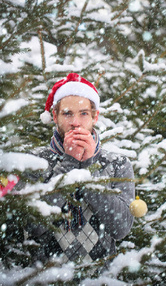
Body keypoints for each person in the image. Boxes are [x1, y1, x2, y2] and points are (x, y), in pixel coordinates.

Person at [26, 73, 135, 265]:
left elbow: (121, 228)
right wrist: (68, 164)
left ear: (95, 117)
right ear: (54, 116)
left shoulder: (118, 164)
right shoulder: (33, 161)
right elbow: (33, 226)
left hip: (100, 279)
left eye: (84, 113)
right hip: (41, 277)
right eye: (67, 113)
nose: (75, 122)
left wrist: (89, 168)